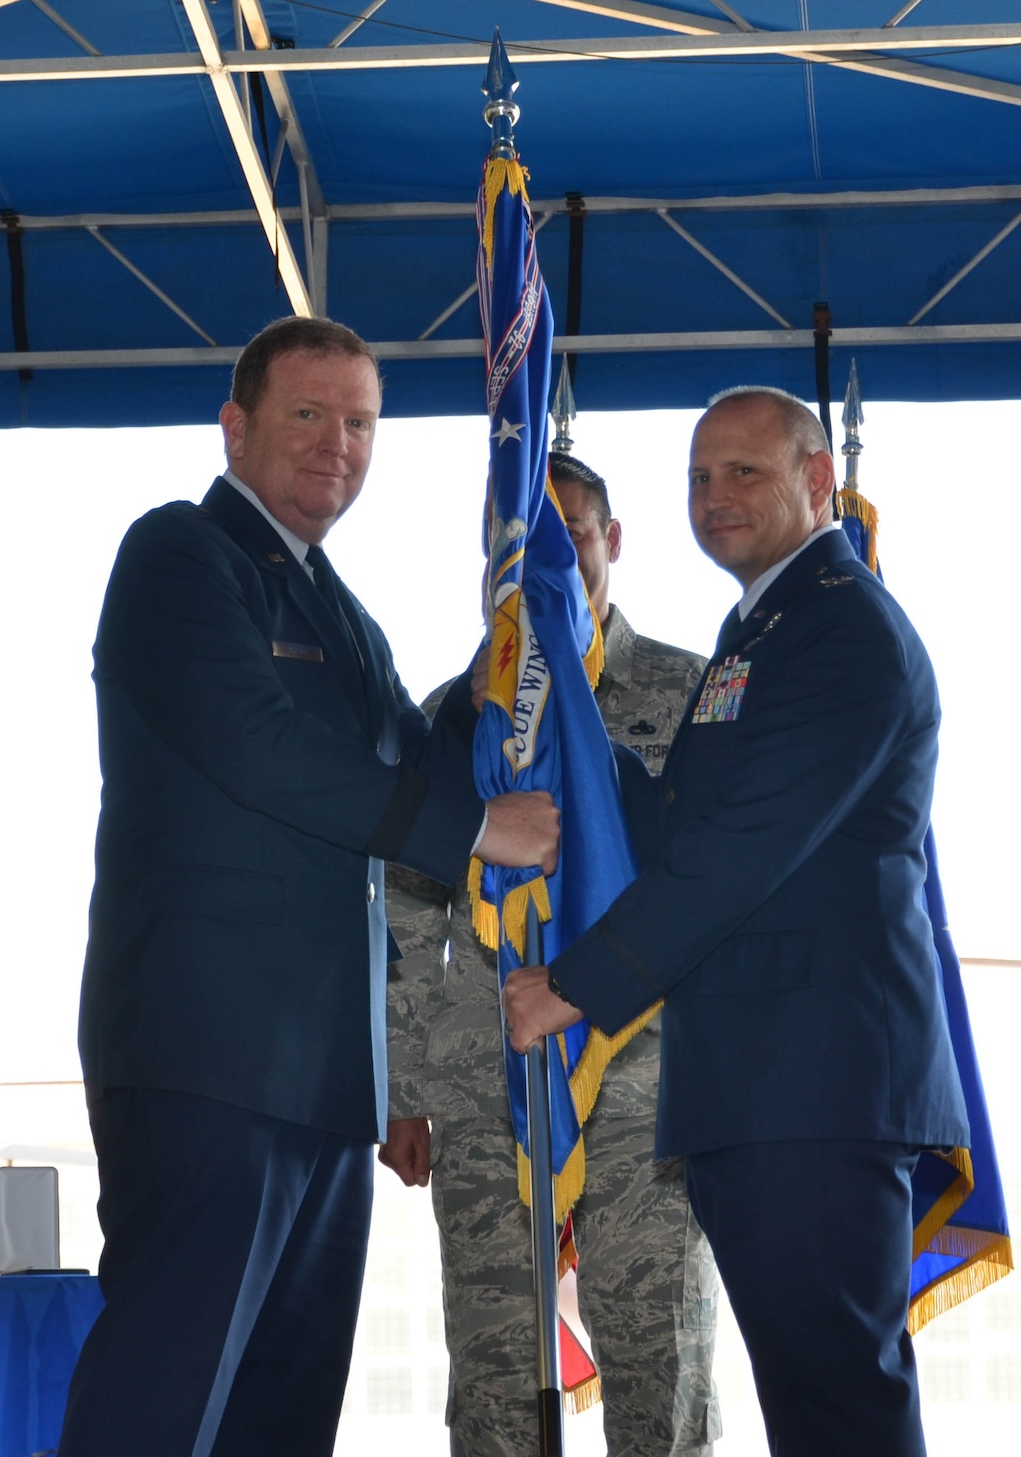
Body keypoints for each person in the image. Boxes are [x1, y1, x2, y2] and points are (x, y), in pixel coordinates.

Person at [62, 316, 563, 1457]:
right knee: (166, 1392)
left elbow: (415, 753)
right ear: (234, 425)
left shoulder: (338, 606)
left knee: (279, 1415)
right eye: (307, 413)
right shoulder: (180, 556)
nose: (337, 443)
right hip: (210, 1060)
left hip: (327, 1078)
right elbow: (262, 748)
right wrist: (483, 825)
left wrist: (531, 695)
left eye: (359, 423)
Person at [504, 388, 969, 1456]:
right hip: (761, 1087)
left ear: (816, 482)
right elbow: (681, 819)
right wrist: (568, 748)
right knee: (815, 1401)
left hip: (815, 1084)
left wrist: (573, 984)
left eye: (743, 473)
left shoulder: (840, 628)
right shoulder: (764, 623)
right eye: (698, 477)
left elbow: (742, 849)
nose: (714, 497)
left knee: (838, 1402)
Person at [381, 452, 722, 1457]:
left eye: (571, 534)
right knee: (493, 1372)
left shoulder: (689, 691)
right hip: (489, 1089)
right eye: (524, 542)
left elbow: (715, 884)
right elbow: (409, 906)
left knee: (662, 1359)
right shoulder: (458, 715)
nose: (550, 558)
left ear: (610, 544)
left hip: (643, 1087)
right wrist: (404, 1084)